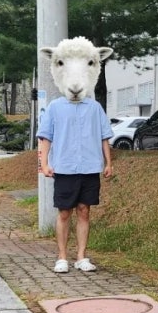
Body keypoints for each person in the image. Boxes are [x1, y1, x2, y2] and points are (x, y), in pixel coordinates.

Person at [37, 93, 114, 273]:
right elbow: (46, 137)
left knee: (84, 210)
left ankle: (81, 256)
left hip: (90, 166)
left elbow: (104, 136)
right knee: (64, 212)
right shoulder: (55, 107)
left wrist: (108, 163)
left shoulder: (95, 107)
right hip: (65, 167)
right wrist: (44, 164)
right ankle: (62, 257)